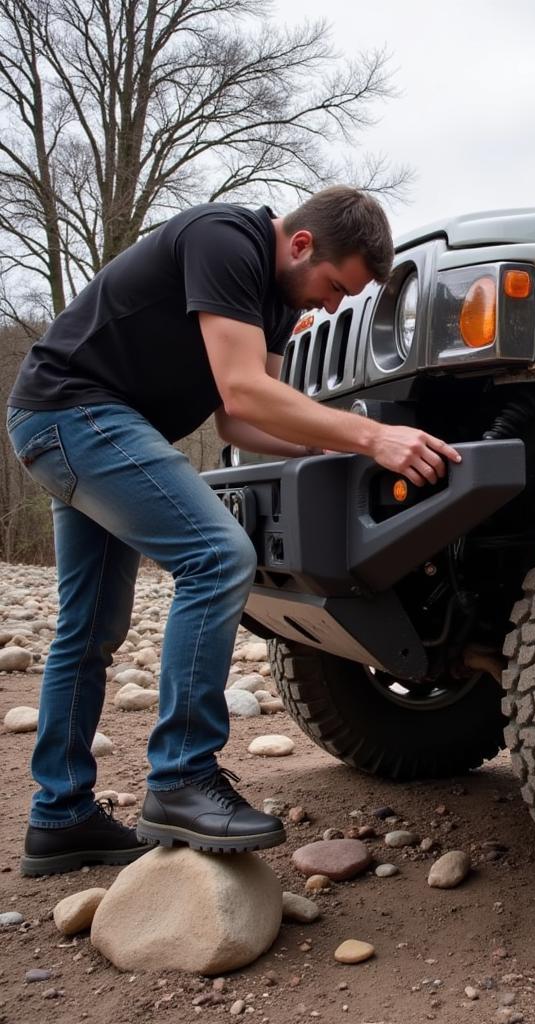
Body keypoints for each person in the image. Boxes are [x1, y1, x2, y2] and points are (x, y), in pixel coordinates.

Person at [5, 186, 461, 876]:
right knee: (219, 557)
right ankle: (181, 779)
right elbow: (246, 390)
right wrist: (374, 436)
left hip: (82, 425)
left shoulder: (278, 300)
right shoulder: (226, 239)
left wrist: (335, 450)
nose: (333, 307)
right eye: (336, 288)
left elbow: (239, 421)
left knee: (90, 625)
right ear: (302, 244)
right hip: (77, 415)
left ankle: (61, 819)